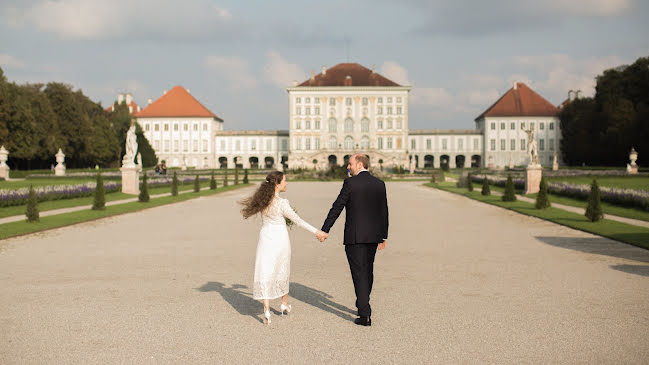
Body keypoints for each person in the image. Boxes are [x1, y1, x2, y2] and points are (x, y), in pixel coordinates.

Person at [240, 171, 327, 325]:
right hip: (280, 238)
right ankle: (284, 304)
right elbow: (298, 221)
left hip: (266, 237)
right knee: (282, 268)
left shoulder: (263, 200)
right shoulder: (281, 203)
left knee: (265, 269)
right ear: (277, 184)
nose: (286, 183)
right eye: (285, 181)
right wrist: (317, 232)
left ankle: (266, 309)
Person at [319, 154, 389, 326]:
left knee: (359, 274)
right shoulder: (379, 184)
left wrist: (325, 229)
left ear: (359, 164)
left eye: (350, 164)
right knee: (367, 271)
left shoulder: (350, 183)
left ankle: (365, 314)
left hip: (355, 237)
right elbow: (384, 211)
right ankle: (362, 302)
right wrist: (383, 235)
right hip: (373, 236)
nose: (347, 167)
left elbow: (337, 206)